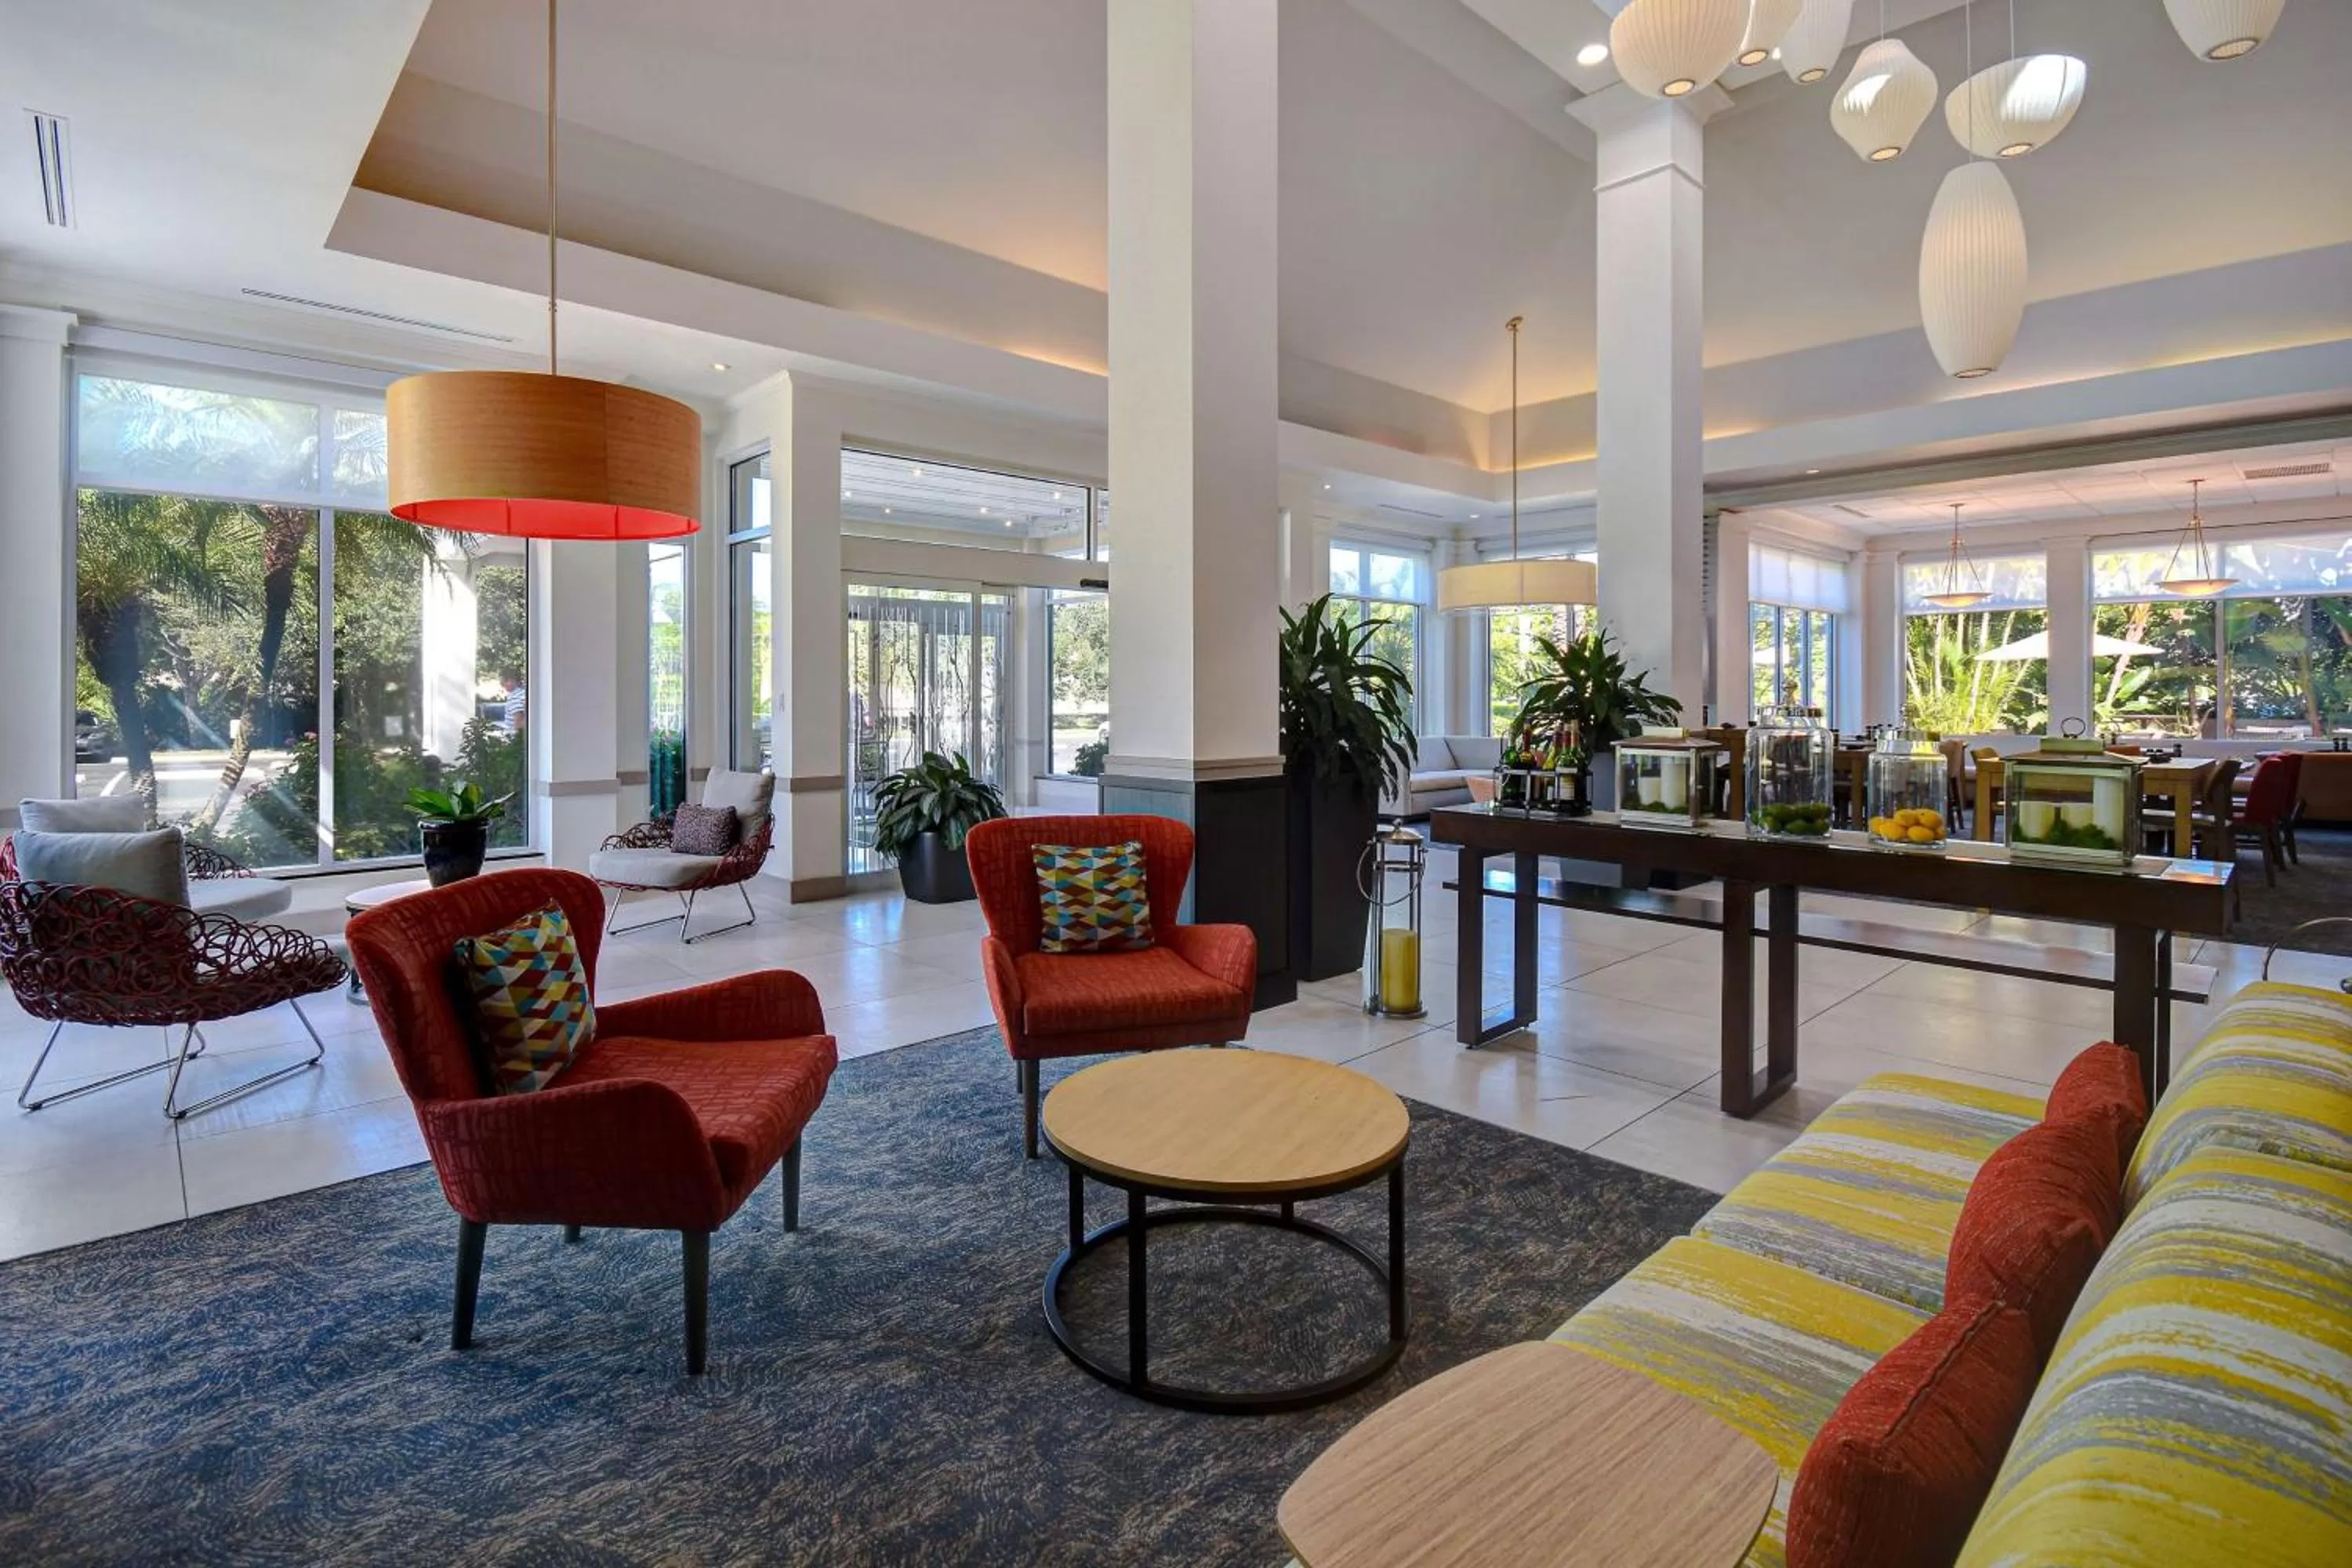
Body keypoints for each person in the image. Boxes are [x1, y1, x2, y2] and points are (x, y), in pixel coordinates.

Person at [501, 670, 527, 734]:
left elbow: (518, 723)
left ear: (517, 682)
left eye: (510, 681)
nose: (506, 684)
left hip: (512, 735)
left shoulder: (515, 697)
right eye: (505, 681)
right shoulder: (521, 692)